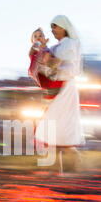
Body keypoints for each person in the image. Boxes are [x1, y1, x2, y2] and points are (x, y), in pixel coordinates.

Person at [34, 15, 86, 173]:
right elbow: (47, 64)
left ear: (64, 27)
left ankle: (75, 167)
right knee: (53, 128)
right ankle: (58, 171)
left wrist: (50, 65)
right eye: (52, 28)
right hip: (55, 89)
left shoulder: (72, 44)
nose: (53, 30)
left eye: (55, 27)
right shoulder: (56, 47)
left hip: (66, 89)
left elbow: (68, 68)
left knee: (63, 128)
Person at [28, 28, 65, 99]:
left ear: (44, 37)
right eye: (35, 36)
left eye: (40, 36)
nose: (38, 37)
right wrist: (43, 44)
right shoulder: (34, 48)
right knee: (47, 57)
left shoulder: (48, 50)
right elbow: (38, 50)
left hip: (49, 75)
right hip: (40, 71)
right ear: (32, 41)